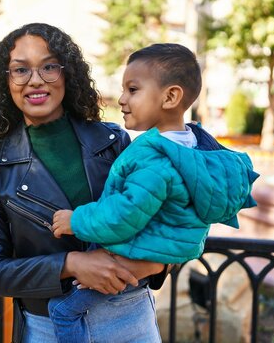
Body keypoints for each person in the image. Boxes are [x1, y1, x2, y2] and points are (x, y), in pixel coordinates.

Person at [0, 22, 174, 342]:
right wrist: (70, 264)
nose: (35, 80)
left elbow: (168, 230)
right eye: (20, 70)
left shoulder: (114, 142)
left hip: (130, 318)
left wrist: (152, 266)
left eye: (48, 67)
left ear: (66, 73)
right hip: (50, 327)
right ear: (6, 81)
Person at [49, 43, 260, 343]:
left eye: (133, 89)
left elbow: (125, 214)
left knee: (61, 310)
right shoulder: (195, 147)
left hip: (131, 257)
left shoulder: (156, 161)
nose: (122, 99)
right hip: (158, 257)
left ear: (171, 96)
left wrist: (76, 220)